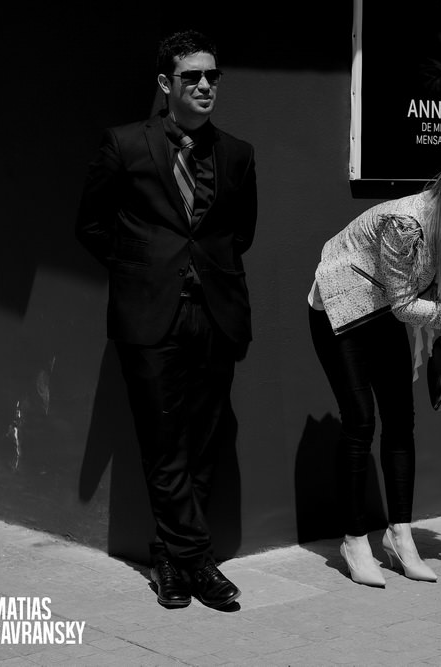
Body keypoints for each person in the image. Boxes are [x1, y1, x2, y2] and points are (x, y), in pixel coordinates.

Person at [76, 30, 257, 610]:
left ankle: (169, 559)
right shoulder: (124, 144)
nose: (204, 85)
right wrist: (143, 270)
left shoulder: (237, 153)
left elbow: (239, 234)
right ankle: (199, 564)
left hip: (214, 315)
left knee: (202, 444)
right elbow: (92, 225)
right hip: (149, 318)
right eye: (191, 77)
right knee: (163, 444)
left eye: (211, 76)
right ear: (165, 84)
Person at [308, 154, 441, 588]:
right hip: (342, 304)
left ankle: (400, 537)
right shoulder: (404, 224)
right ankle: (355, 540)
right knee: (361, 420)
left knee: (401, 420)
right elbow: (407, 305)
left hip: (388, 307)